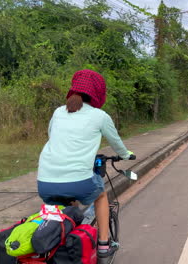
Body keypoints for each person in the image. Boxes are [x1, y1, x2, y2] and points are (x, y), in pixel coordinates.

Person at [37, 69, 133, 259]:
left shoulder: (58, 112)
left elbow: (53, 136)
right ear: (98, 93)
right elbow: (116, 143)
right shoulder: (100, 116)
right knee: (101, 195)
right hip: (80, 180)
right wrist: (126, 155)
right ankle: (104, 246)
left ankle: (62, 246)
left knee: (67, 206)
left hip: (45, 181)